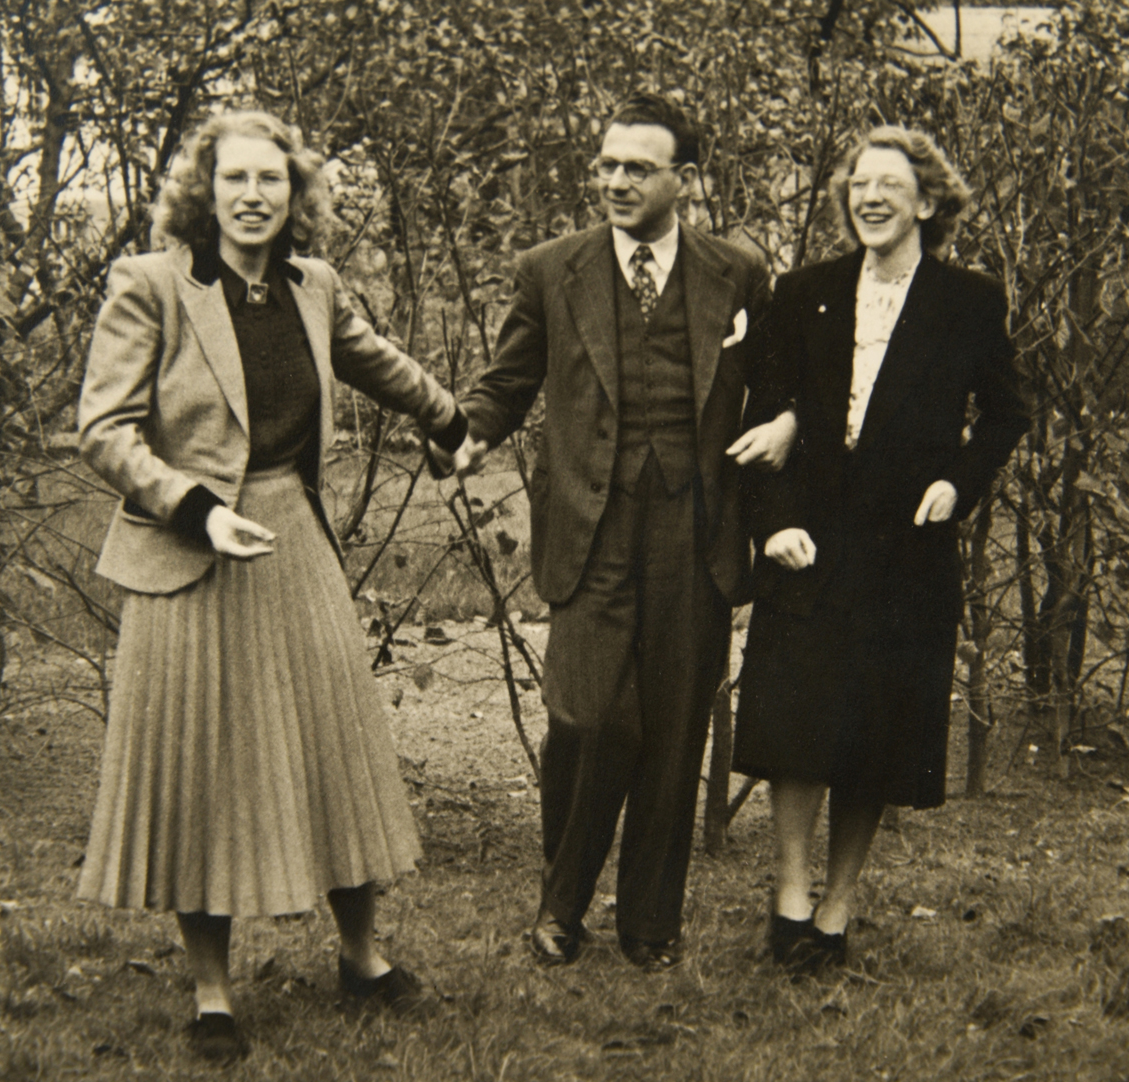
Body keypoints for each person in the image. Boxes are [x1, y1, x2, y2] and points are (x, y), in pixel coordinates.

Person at [75, 111, 472, 1058]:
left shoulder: (314, 285)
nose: (254, 196)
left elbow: (370, 359)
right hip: (192, 552)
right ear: (204, 192)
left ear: (296, 197)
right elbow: (104, 428)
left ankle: (362, 958)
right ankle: (213, 994)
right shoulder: (152, 286)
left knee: (336, 749)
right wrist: (194, 506)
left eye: (273, 181)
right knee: (203, 768)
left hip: (292, 540)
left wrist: (450, 417)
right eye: (235, 179)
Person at [445, 93, 797, 970]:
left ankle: (650, 922)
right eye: (607, 165)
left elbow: (780, 385)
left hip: (697, 527)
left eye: (638, 167)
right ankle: (561, 901)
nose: (615, 180)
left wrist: (787, 423)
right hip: (591, 527)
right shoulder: (550, 269)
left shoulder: (738, 273)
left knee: (677, 729)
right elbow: (507, 380)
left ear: (685, 178)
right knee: (589, 718)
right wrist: (470, 429)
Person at [732, 126, 1029, 974]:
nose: (868, 197)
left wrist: (959, 485)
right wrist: (775, 521)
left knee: (871, 730)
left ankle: (836, 907)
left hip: (908, 549)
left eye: (889, 186)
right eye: (858, 184)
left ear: (926, 203)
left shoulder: (968, 300)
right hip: (812, 544)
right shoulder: (807, 290)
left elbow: (1007, 413)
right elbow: (772, 410)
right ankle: (789, 896)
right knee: (795, 722)